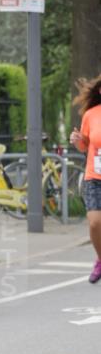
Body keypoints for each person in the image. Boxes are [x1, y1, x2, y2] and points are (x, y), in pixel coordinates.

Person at [70, 72, 101, 284]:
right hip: (95, 177)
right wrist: (77, 140)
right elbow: (84, 145)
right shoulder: (91, 115)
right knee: (95, 224)